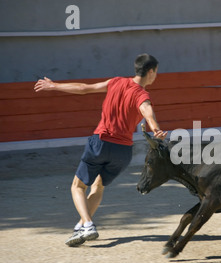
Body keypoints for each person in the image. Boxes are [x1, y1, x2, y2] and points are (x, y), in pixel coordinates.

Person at [34, 53, 167, 246]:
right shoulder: (142, 95)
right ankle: (81, 227)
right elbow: (147, 110)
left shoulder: (116, 82)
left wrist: (54, 86)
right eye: (156, 72)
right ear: (151, 71)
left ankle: (87, 224)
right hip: (123, 151)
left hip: (101, 143)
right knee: (98, 186)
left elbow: (84, 89)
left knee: (77, 186)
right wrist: (155, 128)